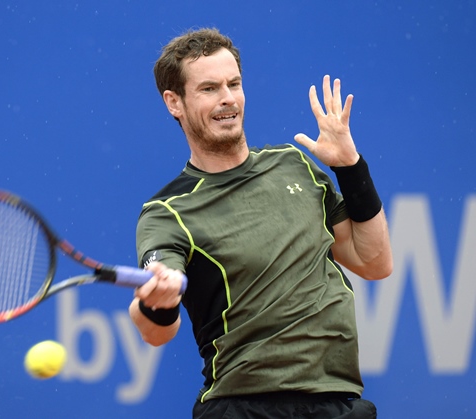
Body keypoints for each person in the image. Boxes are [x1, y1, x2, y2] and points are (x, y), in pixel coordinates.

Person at [128, 28, 393, 418]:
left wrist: (351, 168)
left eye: (234, 83)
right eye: (209, 89)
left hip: (337, 404)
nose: (228, 99)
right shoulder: (167, 211)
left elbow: (374, 262)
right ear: (174, 102)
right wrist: (156, 300)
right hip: (243, 408)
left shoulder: (294, 164)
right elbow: (153, 330)